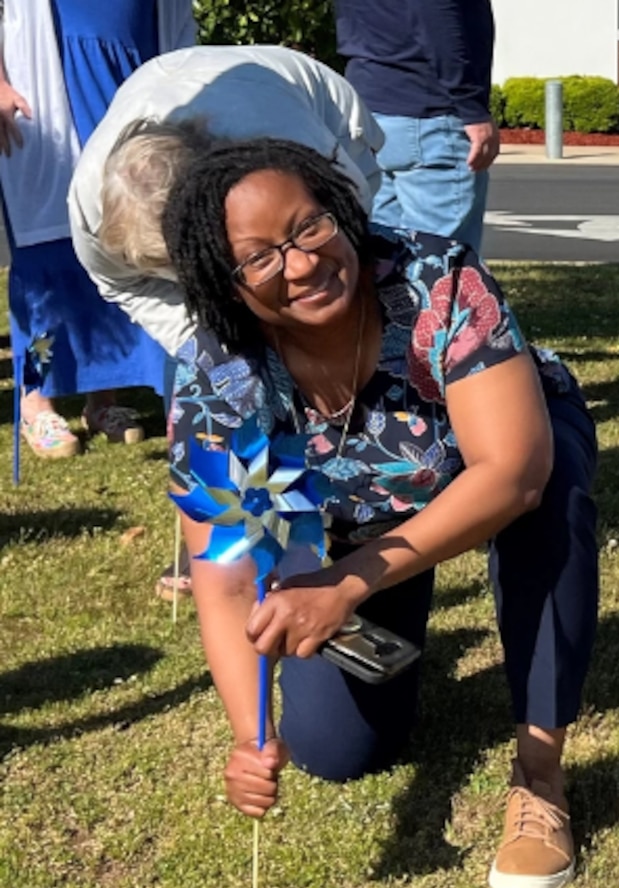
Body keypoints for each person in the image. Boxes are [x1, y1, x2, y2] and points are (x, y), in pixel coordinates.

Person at [161, 139, 597, 888]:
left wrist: (344, 584)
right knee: (336, 750)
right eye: (259, 258)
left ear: (341, 208)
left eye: (309, 228)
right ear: (225, 284)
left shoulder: (435, 279)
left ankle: (539, 774)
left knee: (550, 496)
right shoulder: (218, 377)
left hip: (497, 460)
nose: (300, 264)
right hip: (362, 522)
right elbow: (227, 577)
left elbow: (510, 472)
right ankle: (400, 618)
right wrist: (249, 737)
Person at [68, 43, 385, 600]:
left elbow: (349, 230)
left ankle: (353, 485)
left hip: (323, 115)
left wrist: (290, 321)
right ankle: (230, 544)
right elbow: (118, 284)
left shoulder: (289, 154)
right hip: (185, 110)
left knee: (320, 322)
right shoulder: (89, 214)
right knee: (219, 375)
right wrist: (207, 345)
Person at [0, 0, 192, 461]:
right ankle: (36, 401)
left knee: (126, 233)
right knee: (50, 242)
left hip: (133, 68)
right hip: (44, 76)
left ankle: (104, 399)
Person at [335, 0, 499, 252]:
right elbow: (436, 16)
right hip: (429, 112)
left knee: (383, 258)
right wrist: (472, 108)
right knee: (439, 260)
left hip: (372, 104)